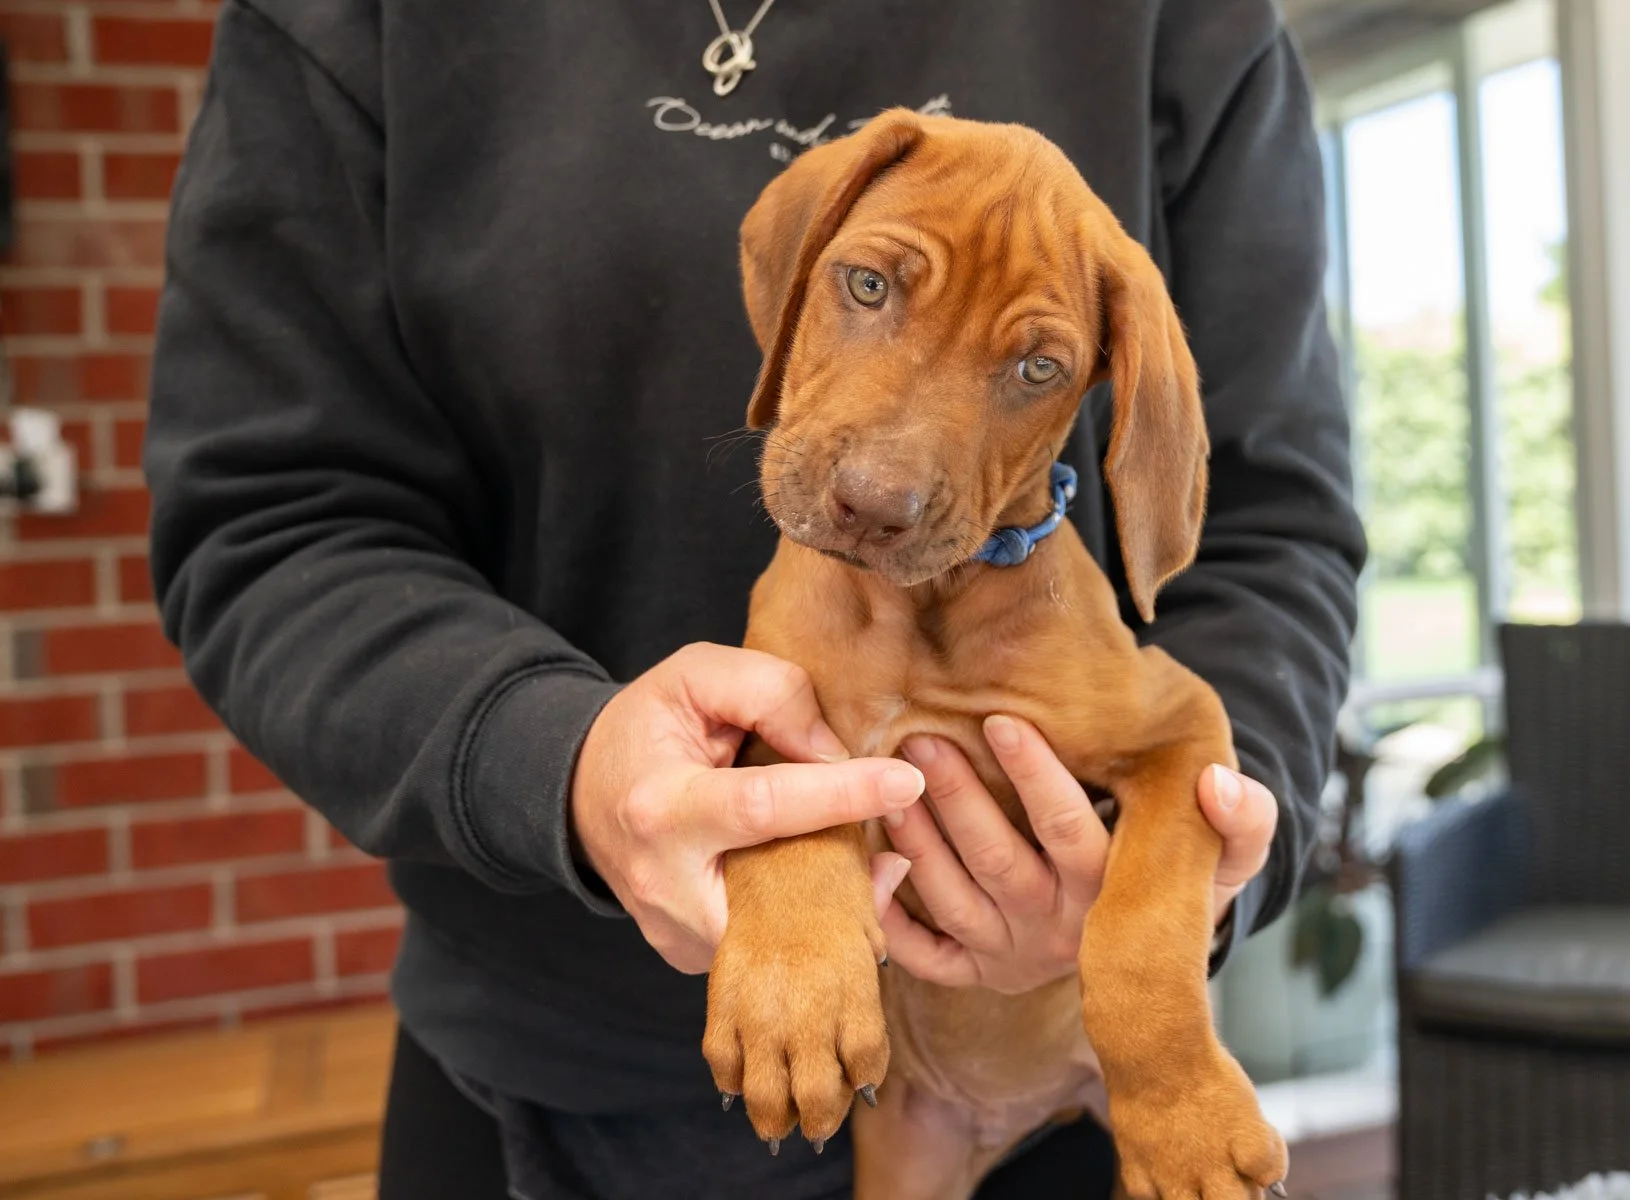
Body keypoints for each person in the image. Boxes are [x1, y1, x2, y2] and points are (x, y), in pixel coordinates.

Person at [144, 0, 1365, 1196]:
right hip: (550, 1072)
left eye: (1037, 363)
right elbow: (273, 516)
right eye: (873, 288)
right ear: (797, 276)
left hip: (1053, 1099)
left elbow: (1272, 533)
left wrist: (1177, 909)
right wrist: (554, 761)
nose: (887, 482)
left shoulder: (1191, 28)